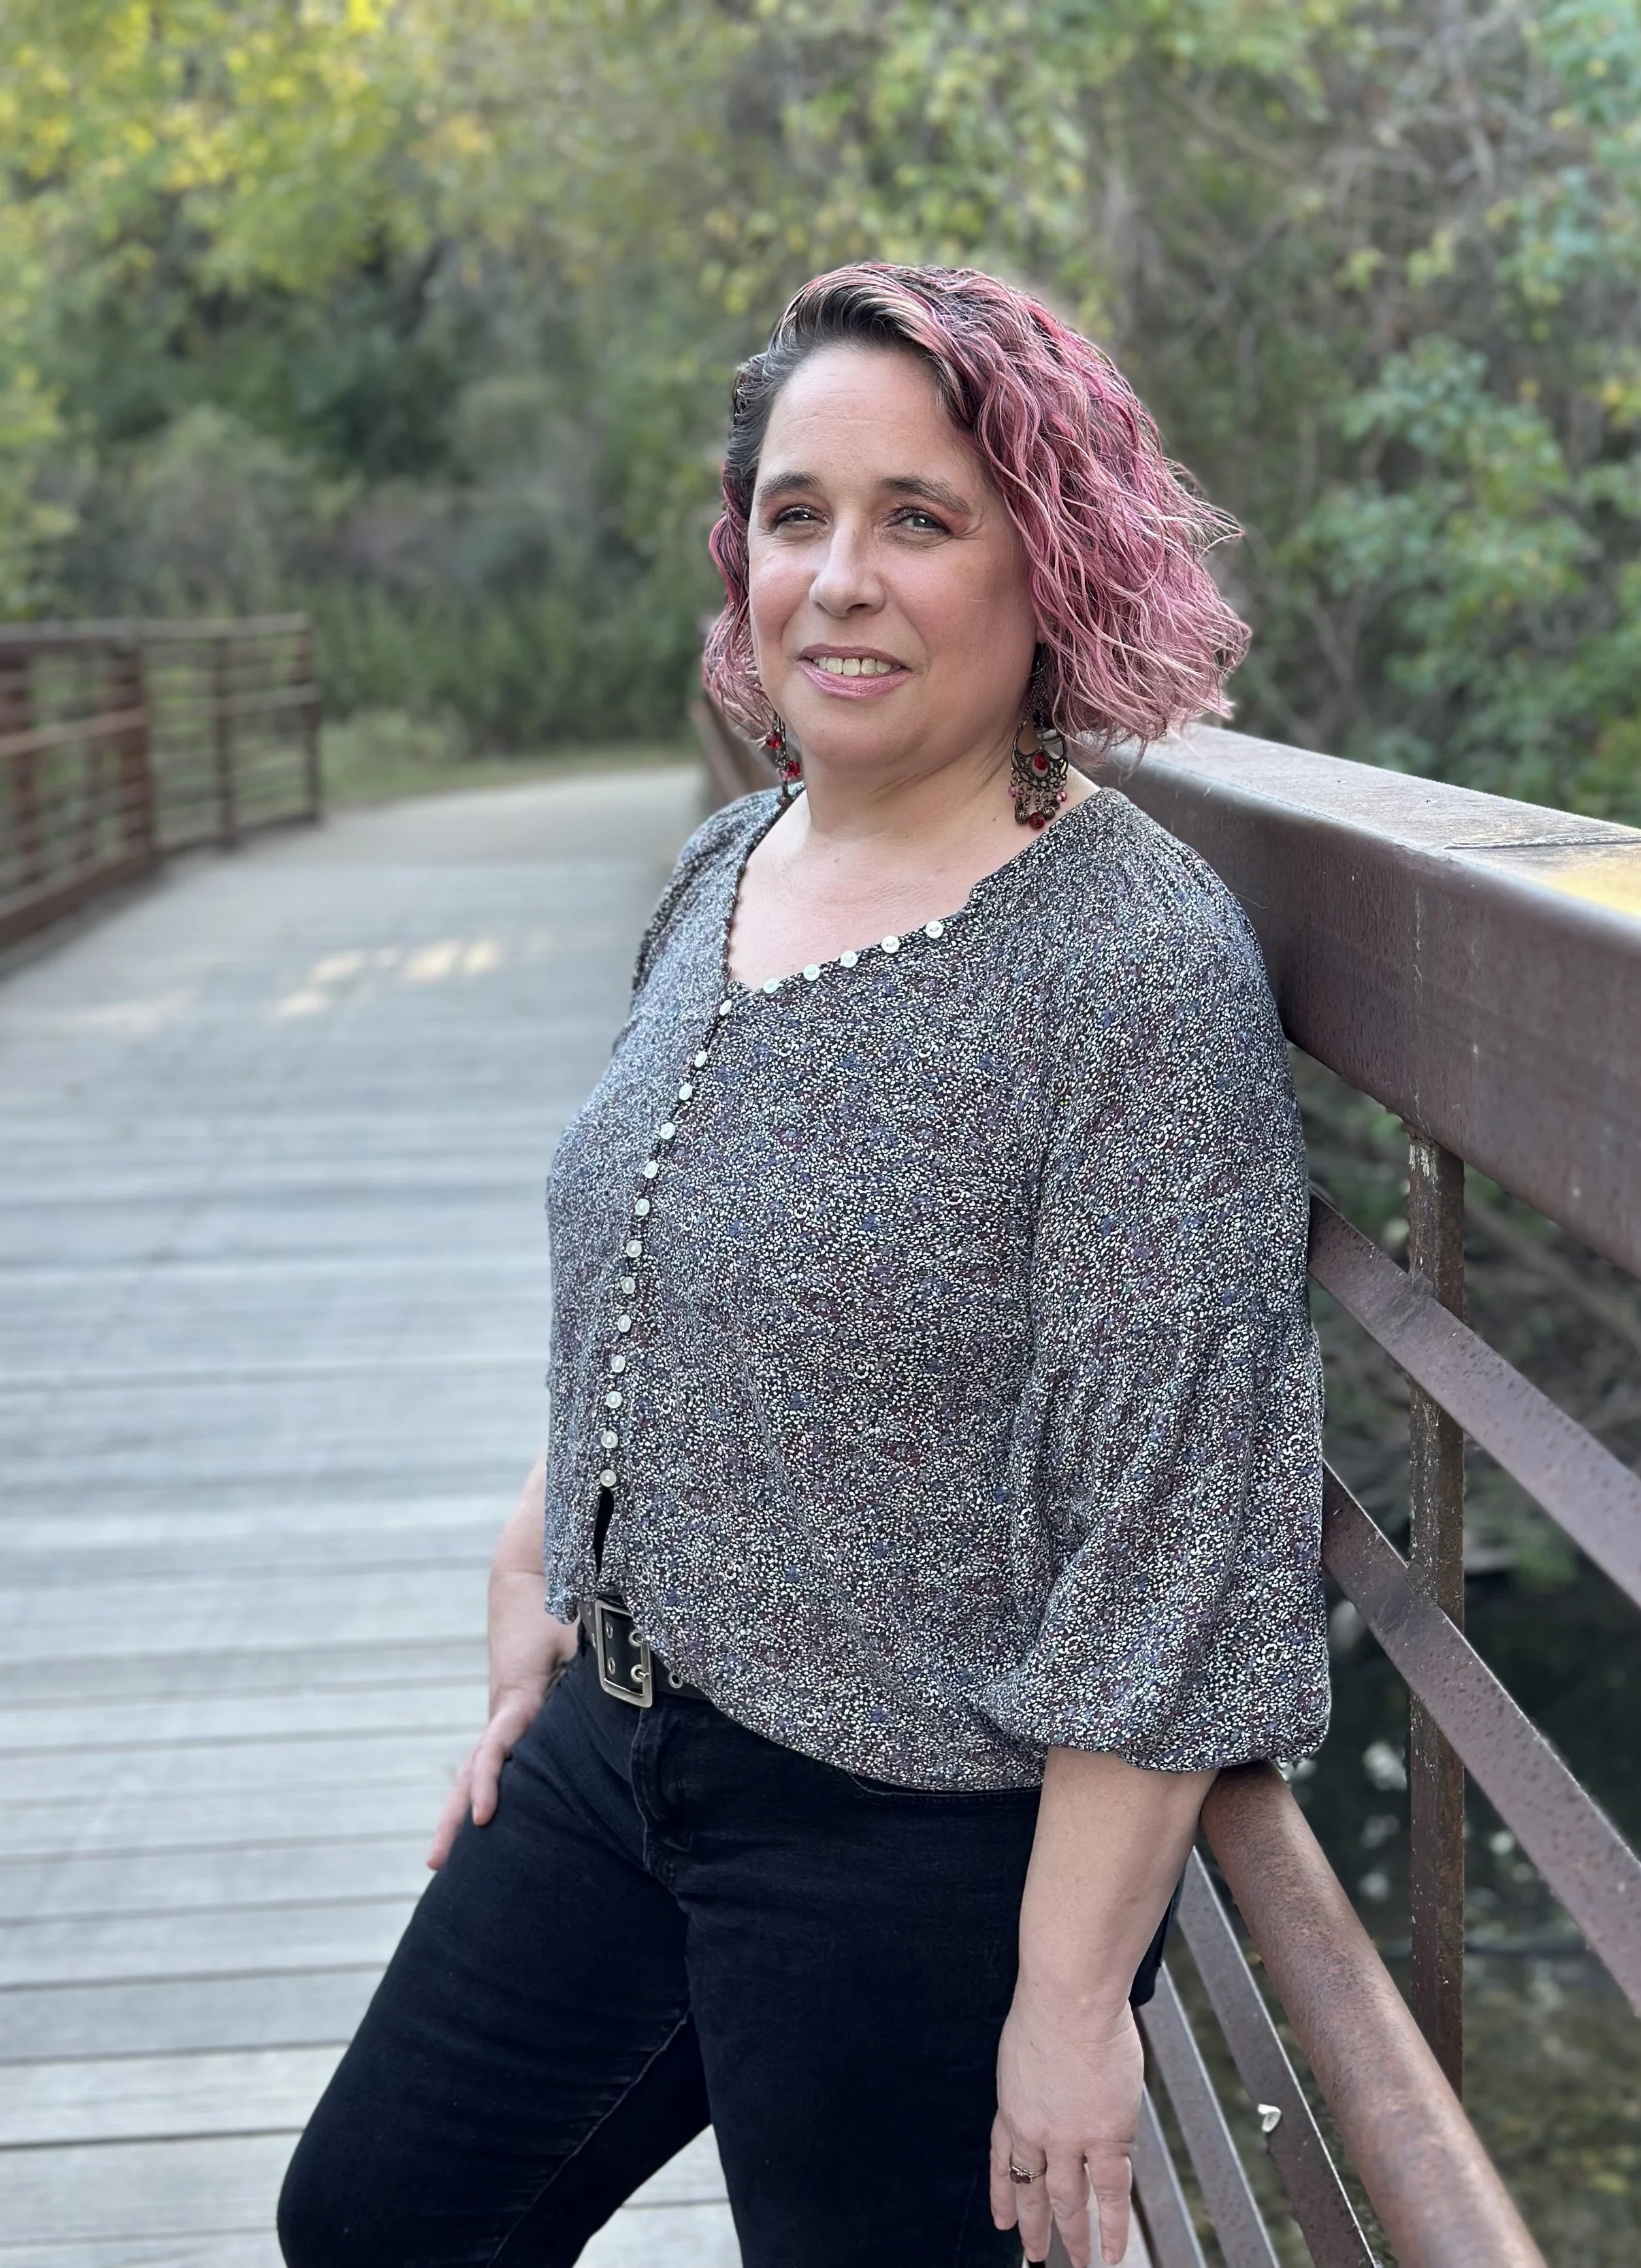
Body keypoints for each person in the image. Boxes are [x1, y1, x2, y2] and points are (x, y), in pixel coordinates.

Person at [277, 262, 1329, 2268]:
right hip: (620, 1738)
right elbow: (654, 1248)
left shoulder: (1127, 969)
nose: (837, 577)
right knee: (375, 2217)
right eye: (794, 513)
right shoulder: (726, 858)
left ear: (1054, 562)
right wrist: (538, 1575)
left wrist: (1064, 1998)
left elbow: (1167, 1530)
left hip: (902, 1838)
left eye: (917, 519)